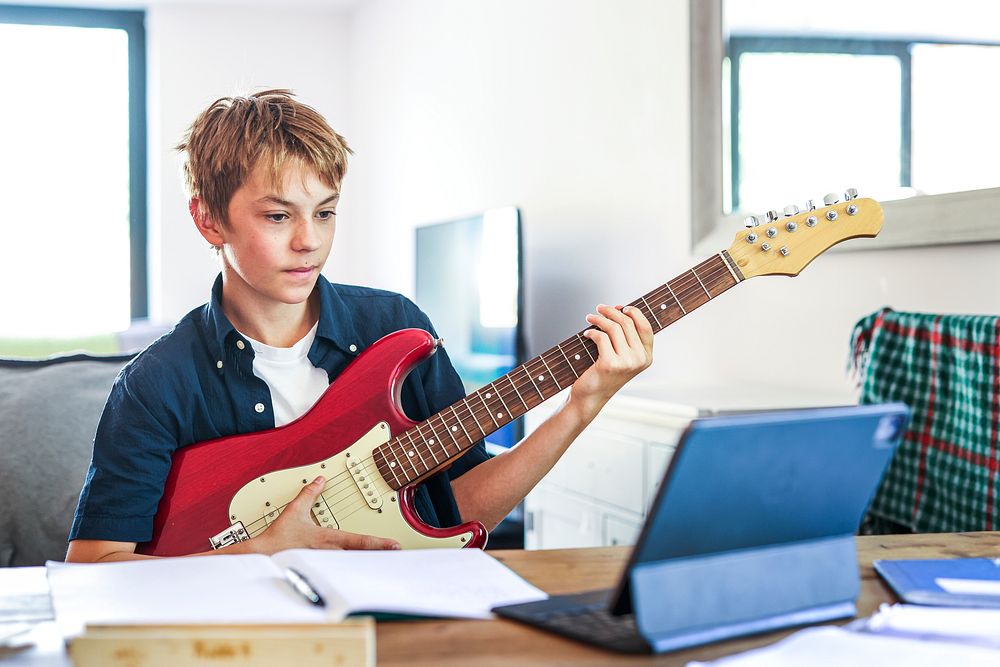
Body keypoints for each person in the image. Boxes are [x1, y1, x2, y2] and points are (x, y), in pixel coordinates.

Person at [66, 89, 653, 563]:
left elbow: (463, 506)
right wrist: (258, 554)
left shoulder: (396, 329)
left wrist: (580, 407)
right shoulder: (155, 382)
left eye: (325, 212)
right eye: (278, 216)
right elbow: (94, 567)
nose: (310, 241)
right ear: (207, 218)